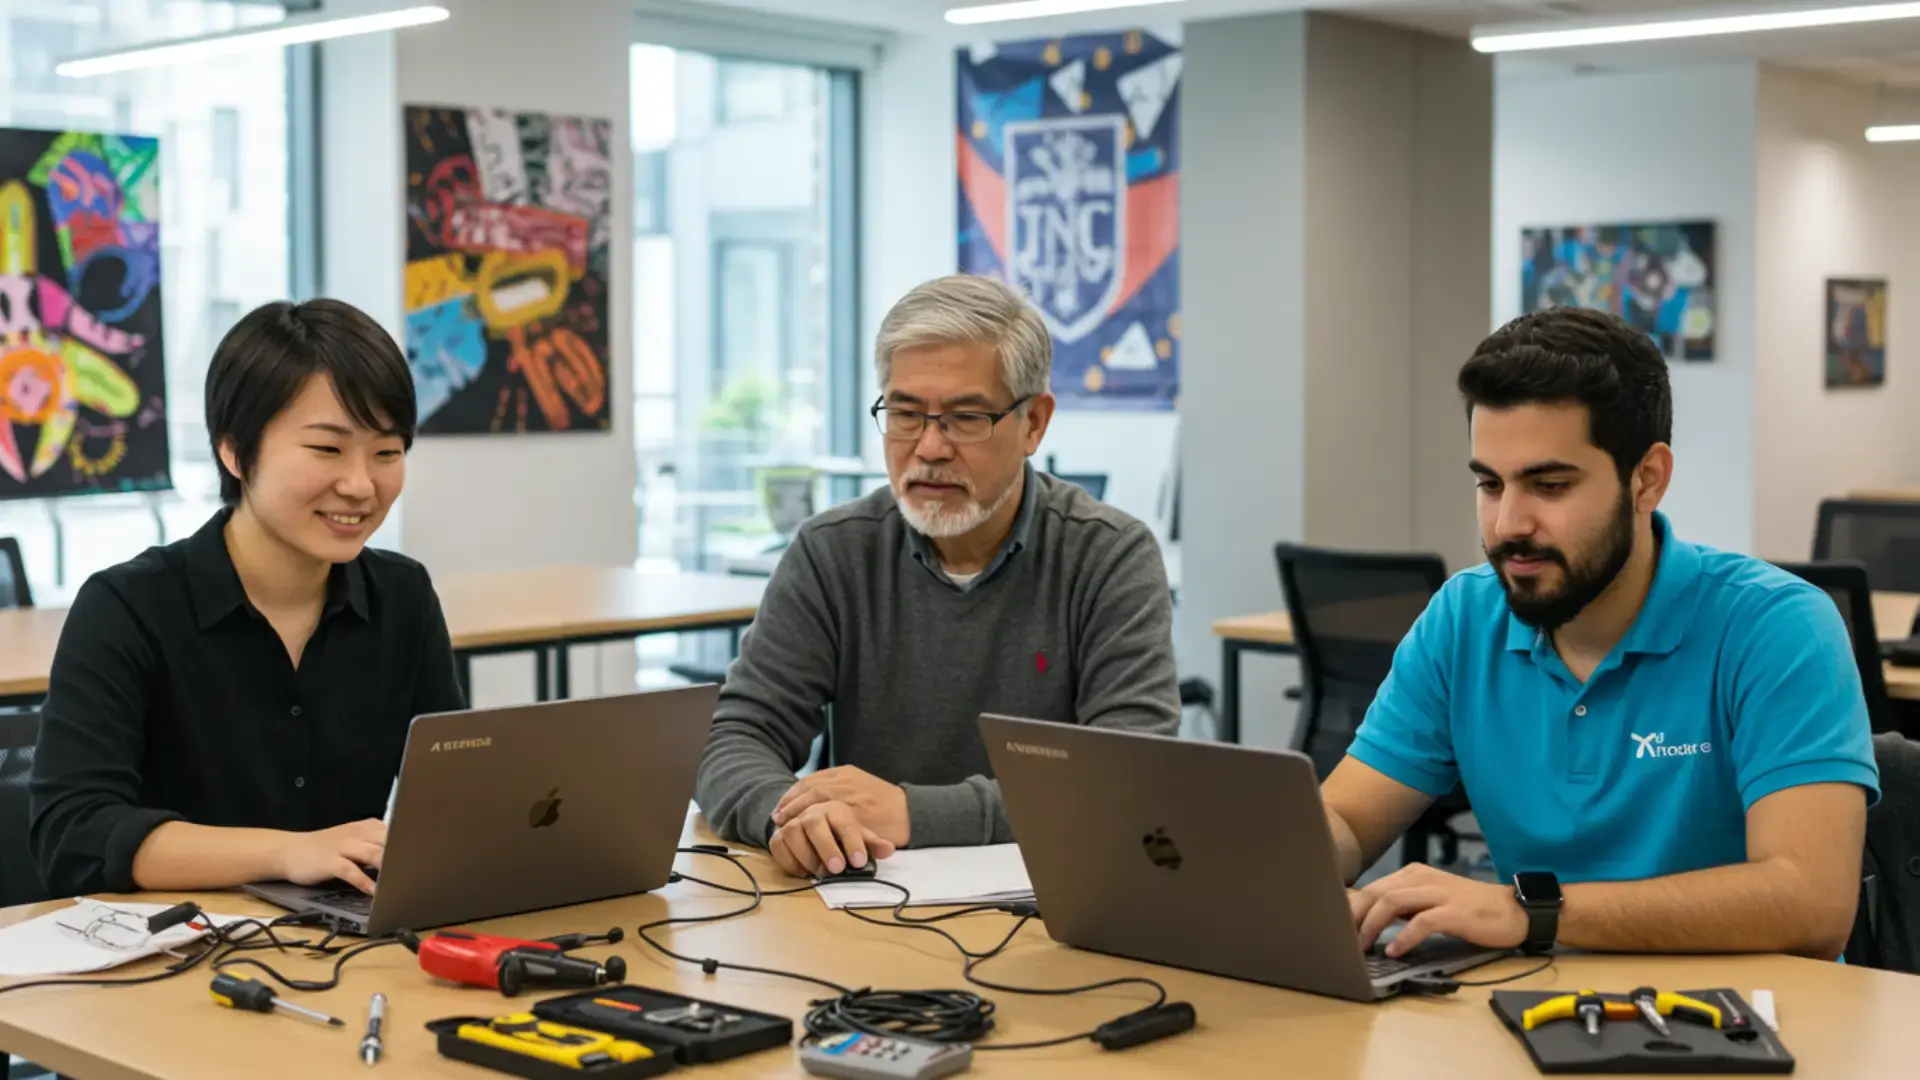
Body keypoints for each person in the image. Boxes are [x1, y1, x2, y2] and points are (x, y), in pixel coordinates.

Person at [1329, 306, 1878, 962]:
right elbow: (1347, 820)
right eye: (1490, 484)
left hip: (1748, 1016)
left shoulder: (1777, 627)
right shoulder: (1463, 618)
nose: (1508, 524)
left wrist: (1529, 911)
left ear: (1647, 480)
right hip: (1525, 1004)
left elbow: (1811, 904)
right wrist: (1279, 865)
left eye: (1550, 485)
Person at [696, 274, 1181, 878]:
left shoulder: (1108, 556)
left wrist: (916, 813)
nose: (928, 447)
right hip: (863, 894)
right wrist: (789, 818)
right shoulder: (834, 551)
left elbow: (1129, 772)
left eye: (966, 417)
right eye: (905, 414)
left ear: (1034, 423)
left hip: (1051, 900)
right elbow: (735, 735)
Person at [29, 298, 464, 898]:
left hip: (353, 940)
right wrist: (288, 852)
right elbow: (74, 835)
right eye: (328, 449)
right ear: (234, 450)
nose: (361, 485)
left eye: (387, 453)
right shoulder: (127, 607)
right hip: (179, 941)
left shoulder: (403, 597)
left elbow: (452, 796)